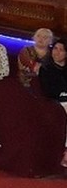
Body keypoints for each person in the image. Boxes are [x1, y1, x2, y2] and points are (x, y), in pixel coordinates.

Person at [38, 39, 67, 168]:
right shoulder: (46, 69)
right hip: (54, 102)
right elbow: (48, 90)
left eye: (61, 50)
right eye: (55, 49)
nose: (57, 52)